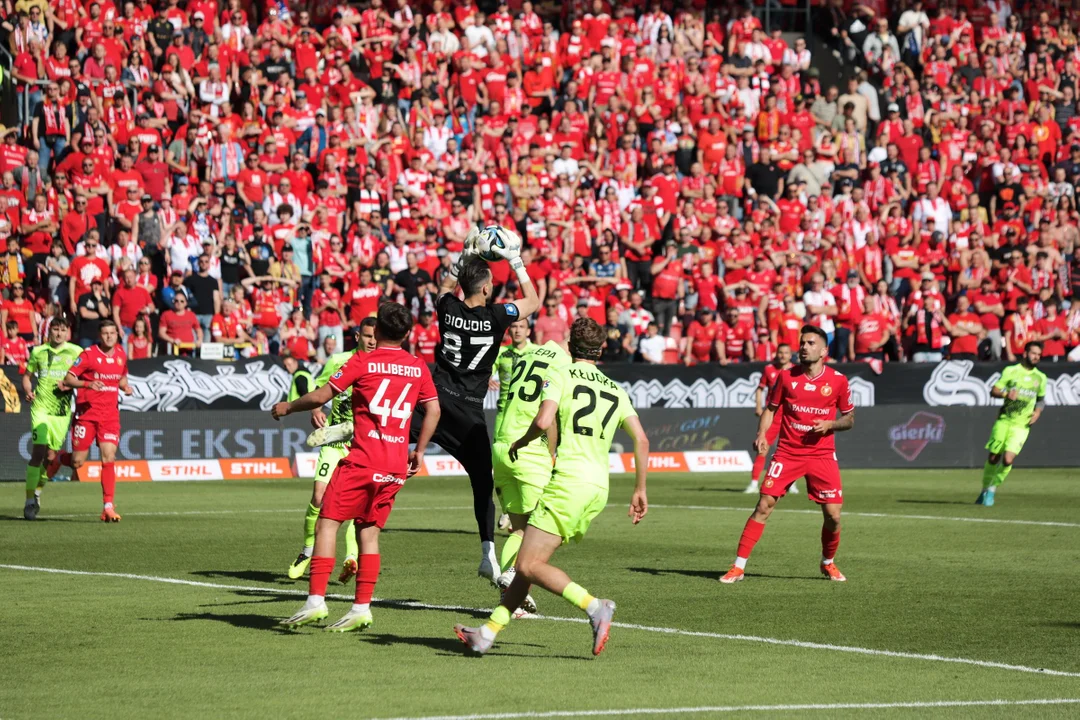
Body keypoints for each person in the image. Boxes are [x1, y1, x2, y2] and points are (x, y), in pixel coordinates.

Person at [454, 318, 649, 657]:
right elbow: (642, 439)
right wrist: (640, 489)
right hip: (597, 488)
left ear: (569, 347)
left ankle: (594, 606)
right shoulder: (616, 389)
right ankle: (486, 633)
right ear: (601, 350)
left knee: (527, 565)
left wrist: (523, 441)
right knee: (531, 562)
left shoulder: (562, 373)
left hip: (567, 483)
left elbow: (543, 421)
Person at [272, 303, 441, 631]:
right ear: (407, 334)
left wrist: (288, 407)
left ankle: (315, 602)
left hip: (363, 459)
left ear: (376, 333)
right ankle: (361, 607)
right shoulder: (418, 367)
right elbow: (433, 410)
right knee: (369, 533)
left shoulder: (362, 361)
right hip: (394, 465)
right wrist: (418, 451)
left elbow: (321, 396)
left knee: (327, 524)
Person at [415, 230, 540, 581]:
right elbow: (532, 301)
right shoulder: (497, 316)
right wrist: (515, 260)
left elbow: (442, 290)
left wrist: (462, 259)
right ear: (486, 289)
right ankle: (488, 554)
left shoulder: (447, 307)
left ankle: (356, 432)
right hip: (469, 411)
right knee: (482, 485)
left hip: (434, 401)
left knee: (391, 431)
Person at [720, 325, 855, 584]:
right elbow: (770, 408)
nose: (803, 347)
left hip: (822, 454)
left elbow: (849, 418)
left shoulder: (838, 380)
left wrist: (831, 424)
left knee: (834, 516)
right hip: (788, 453)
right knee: (763, 506)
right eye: (802, 343)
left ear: (824, 350)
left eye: (811, 343)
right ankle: (738, 566)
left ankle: (828, 562)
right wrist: (761, 434)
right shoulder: (785, 377)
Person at [286, 318, 377, 581]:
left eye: (376, 337)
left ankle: (351, 556)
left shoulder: (380, 364)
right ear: (358, 335)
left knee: (358, 505)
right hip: (335, 441)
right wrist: (315, 409)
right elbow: (319, 389)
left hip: (361, 445)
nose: (372, 341)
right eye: (368, 336)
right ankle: (306, 551)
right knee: (318, 497)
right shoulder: (338, 360)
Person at [491, 336, 571, 613]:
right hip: (528, 449)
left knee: (519, 528)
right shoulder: (563, 364)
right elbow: (549, 417)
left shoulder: (526, 356)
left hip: (502, 447)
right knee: (545, 527)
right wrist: (553, 451)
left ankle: (512, 599)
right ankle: (514, 574)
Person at [62, 320, 132, 522]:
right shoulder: (88, 354)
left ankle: (108, 506)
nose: (109, 336)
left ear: (117, 335)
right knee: (77, 462)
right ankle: (59, 459)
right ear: (99, 336)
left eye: (112, 333)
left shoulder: (120, 354)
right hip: (87, 415)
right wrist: (87, 383)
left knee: (109, 457)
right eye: (105, 333)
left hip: (110, 415)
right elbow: (68, 378)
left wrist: (125, 387)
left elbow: (122, 377)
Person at [21, 318, 82, 520]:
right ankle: (29, 500)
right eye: (55, 329)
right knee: (38, 452)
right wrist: (28, 391)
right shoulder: (38, 351)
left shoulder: (76, 352)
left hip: (62, 412)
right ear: (50, 331)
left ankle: (37, 492)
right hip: (40, 408)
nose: (58, 333)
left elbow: (85, 377)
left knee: (50, 457)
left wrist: (71, 385)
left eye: (63, 330)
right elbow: (27, 377)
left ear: (68, 332)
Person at [977, 342, 1046, 507]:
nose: (1036, 357)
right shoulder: (1011, 371)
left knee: (1008, 459)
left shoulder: (1041, 377)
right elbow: (994, 390)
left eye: (1038, 354)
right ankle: (984, 489)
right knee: (994, 457)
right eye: (1033, 353)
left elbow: (1041, 400)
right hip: (1004, 421)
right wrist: (1006, 393)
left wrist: (1037, 412)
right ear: (1025, 353)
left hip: (1021, 426)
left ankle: (992, 489)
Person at [744, 343, 795, 495]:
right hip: (772, 415)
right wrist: (758, 407)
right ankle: (754, 483)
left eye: (786, 352)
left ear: (790, 355)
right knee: (762, 448)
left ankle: (791, 484)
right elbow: (760, 389)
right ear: (776, 353)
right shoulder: (769, 369)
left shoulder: (795, 370)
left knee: (792, 450)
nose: (783, 355)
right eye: (780, 352)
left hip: (791, 415)